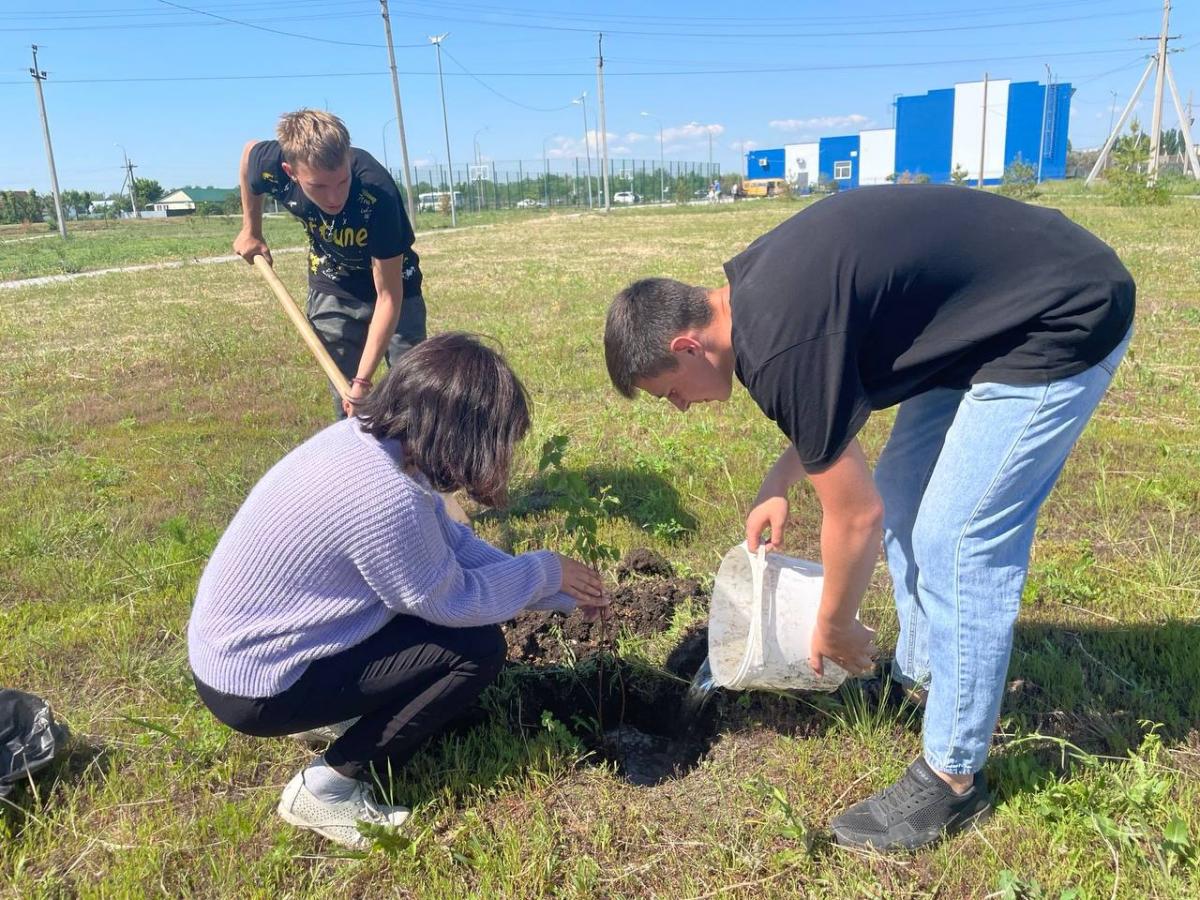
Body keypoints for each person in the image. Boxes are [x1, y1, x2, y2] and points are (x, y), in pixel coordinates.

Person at [602, 184, 1135, 852]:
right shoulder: (752, 295)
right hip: (983, 322)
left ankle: (951, 778)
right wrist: (778, 480)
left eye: (670, 394)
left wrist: (834, 624)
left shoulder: (777, 347)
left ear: (686, 345)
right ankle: (922, 679)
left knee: (958, 540)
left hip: (1062, 311)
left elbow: (854, 516)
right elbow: (830, 391)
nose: (680, 407)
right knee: (910, 502)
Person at [188, 333, 609, 849]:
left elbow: (451, 543)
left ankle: (332, 712)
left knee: (442, 631)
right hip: (257, 685)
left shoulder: (367, 446)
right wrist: (542, 572)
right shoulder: (386, 497)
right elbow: (452, 601)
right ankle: (328, 786)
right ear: (463, 435)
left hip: (242, 652)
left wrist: (558, 591)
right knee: (475, 651)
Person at [234, 108, 424, 420]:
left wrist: (364, 381)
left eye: (341, 181)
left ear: (348, 160)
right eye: (318, 186)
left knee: (412, 390)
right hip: (333, 279)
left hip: (394, 286)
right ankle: (355, 461)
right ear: (290, 171)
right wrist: (251, 230)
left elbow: (389, 298)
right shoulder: (269, 165)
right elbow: (247, 155)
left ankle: (413, 462)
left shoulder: (378, 193)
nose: (334, 197)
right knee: (345, 393)